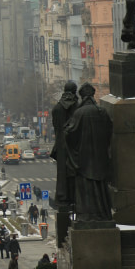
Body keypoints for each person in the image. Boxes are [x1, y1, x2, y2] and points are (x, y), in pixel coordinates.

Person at [64, 83, 113, 222]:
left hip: (84, 158)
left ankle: (86, 216)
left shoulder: (79, 113)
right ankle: (103, 213)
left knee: (86, 187)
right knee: (101, 186)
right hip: (100, 156)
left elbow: (70, 134)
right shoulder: (102, 112)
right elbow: (110, 131)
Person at [51, 81, 79, 211]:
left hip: (61, 144)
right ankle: (76, 198)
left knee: (62, 173)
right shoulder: (78, 107)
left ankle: (62, 198)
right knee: (76, 172)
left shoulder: (56, 108)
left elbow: (56, 128)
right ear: (74, 91)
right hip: (75, 145)